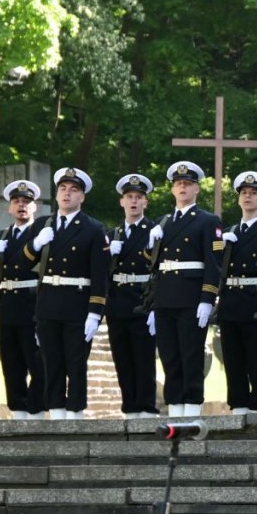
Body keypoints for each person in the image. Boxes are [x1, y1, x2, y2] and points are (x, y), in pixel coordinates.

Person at [27, 168, 109, 419]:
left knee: (75, 364)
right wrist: (35, 244)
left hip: (78, 303)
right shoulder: (43, 224)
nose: (67, 194)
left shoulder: (93, 228)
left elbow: (100, 275)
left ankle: (75, 414)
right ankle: (56, 413)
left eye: (73, 190)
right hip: (49, 303)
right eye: (63, 189)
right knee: (51, 363)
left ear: (82, 197)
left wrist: (95, 313)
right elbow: (24, 262)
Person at [147, 161, 221, 418]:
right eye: (178, 184)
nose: (182, 188)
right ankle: (175, 408)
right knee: (169, 357)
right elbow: (154, 266)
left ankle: (192, 408)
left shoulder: (207, 220)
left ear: (196, 189)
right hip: (166, 298)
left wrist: (207, 298)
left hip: (191, 298)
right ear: (172, 190)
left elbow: (214, 264)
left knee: (191, 356)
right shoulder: (163, 222)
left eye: (187, 184)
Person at [216, 171, 257, 414]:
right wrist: (223, 248)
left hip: (256, 301)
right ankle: (238, 405)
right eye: (244, 193)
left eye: (253, 193)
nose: (247, 197)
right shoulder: (229, 232)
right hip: (231, 301)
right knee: (233, 359)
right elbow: (216, 267)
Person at [107, 174, 159, 419]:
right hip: (117, 301)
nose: (134, 202)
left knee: (144, 357)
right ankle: (129, 407)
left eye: (139, 198)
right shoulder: (112, 234)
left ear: (146, 203)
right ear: (121, 202)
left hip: (143, 300)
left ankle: (147, 407)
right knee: (122, 357)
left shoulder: (154, 230)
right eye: (129, 197)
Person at [0, 180, 46, 419]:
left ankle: (35, 412)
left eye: (26, 202)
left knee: (37, 362)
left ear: (35, 207)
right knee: (11, 365)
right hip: (7, 306)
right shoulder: (1, 236)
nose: (21, 205)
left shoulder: (43, 234)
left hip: (33, 304)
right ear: (9, 208)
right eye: (16, 202)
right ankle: (18, 413)